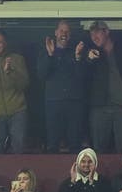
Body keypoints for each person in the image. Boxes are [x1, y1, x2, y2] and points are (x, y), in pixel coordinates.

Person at [86, 20, 122, 153]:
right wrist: (88, 59)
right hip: (99, 106)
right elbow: (82, 77)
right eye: (92, 35)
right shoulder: (92, 53)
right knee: (98, 149)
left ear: (107, 32)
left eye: (97, 34)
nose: (94, 38)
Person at [36, 20, 87, 153]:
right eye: (61, 31)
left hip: (74, 102)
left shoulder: (76, 51)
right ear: (56, 33)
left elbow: (82, 76)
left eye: (67, 31)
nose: (64, 34)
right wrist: (50, 55)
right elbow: (42, 75)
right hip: (54, 102)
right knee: (53, 142)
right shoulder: (45, 51)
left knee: (74, 142)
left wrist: (77, 56)